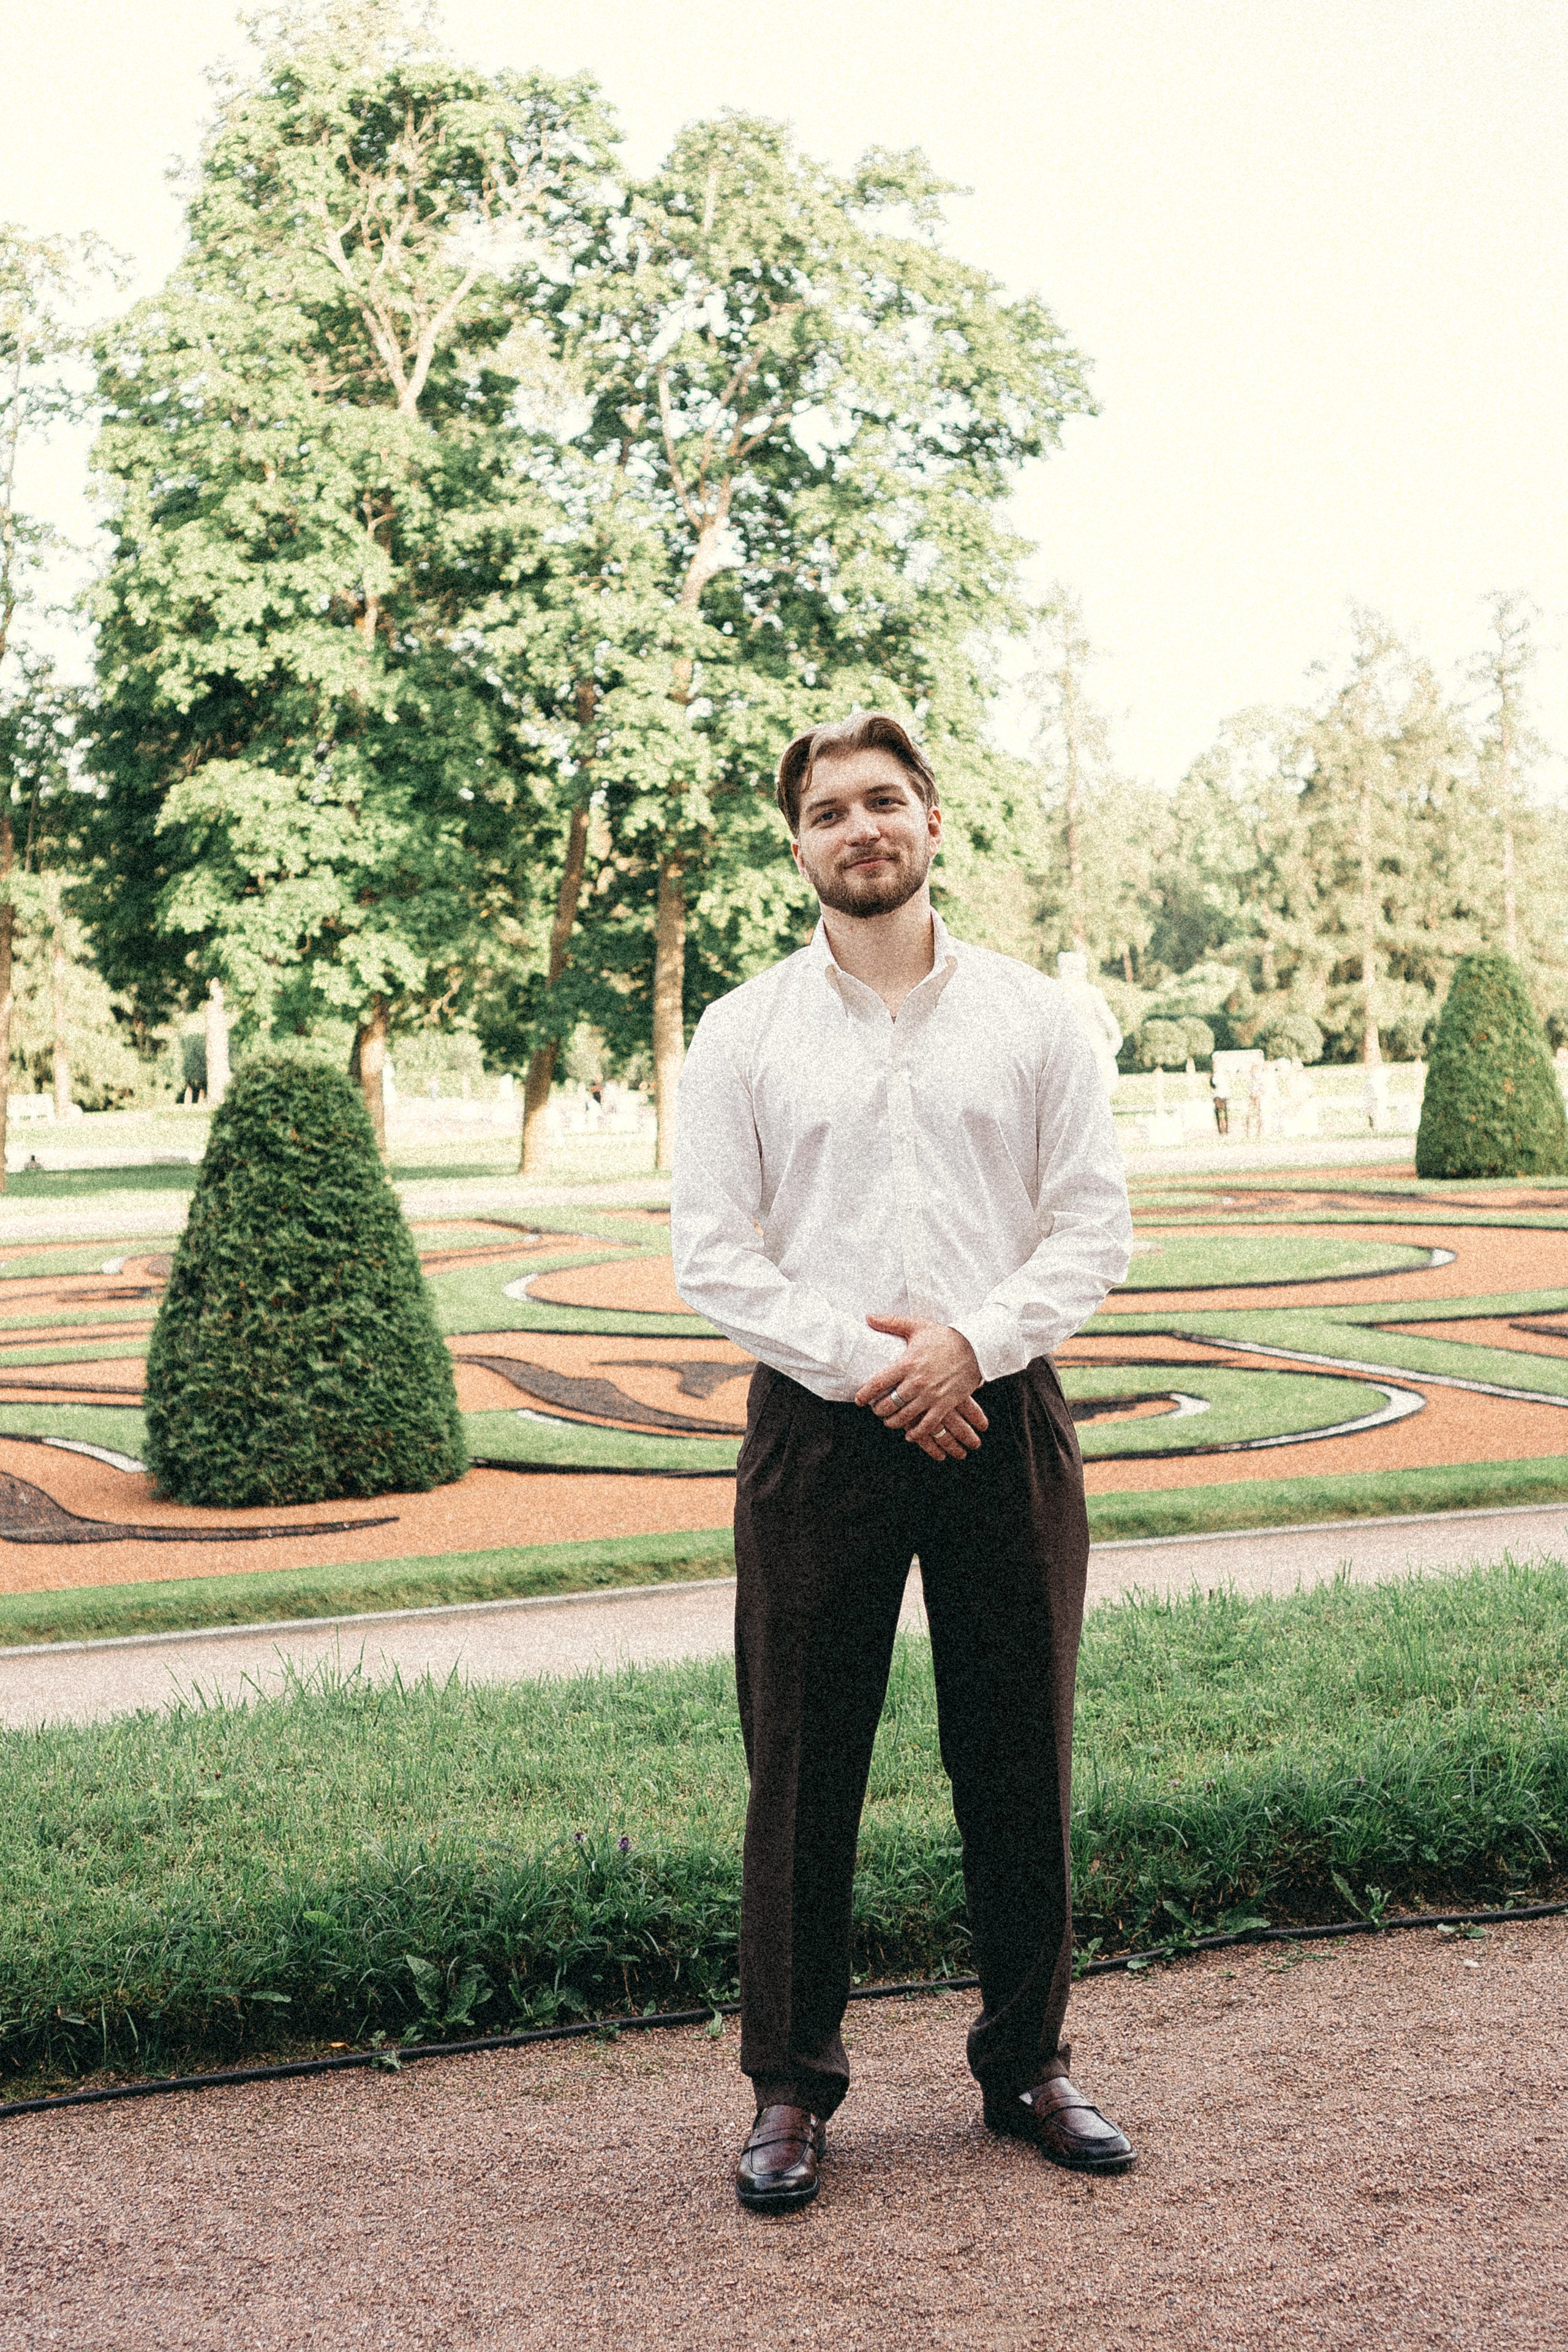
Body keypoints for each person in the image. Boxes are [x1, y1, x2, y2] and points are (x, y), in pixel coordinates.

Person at [671, 711, 1136, 2215]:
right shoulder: (740, 1031)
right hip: (818, 1426)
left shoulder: (1038, 1018)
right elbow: (714, 1257)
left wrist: (967, 1349)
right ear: (795, 842)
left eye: (884, 800)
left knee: (1018, 1751)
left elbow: (1088, 1228)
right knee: (801, 1766)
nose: (858, 828)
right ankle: (791, 2090)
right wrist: (879, 1364)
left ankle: (1027, 2063)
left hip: (999, 1413)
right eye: (826, 810)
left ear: (933, 819)